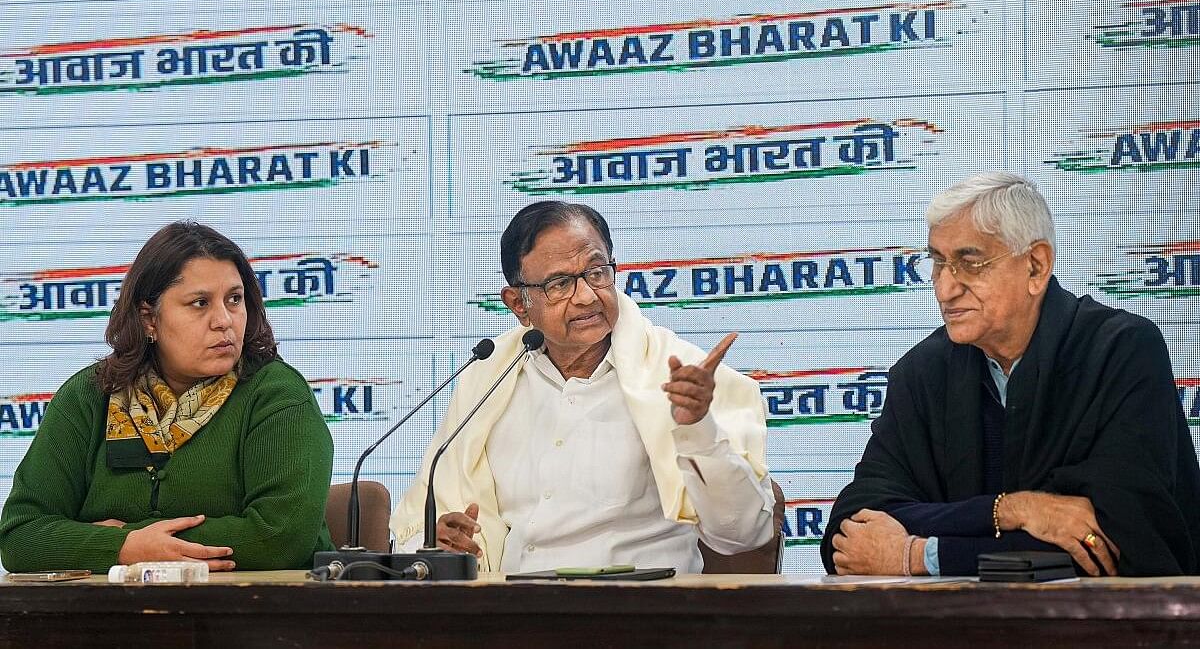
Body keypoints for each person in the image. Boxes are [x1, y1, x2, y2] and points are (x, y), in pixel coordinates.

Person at [821, 172, 1200, 577]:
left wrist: (917, 555)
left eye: (969, 263)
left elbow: (1104, 548)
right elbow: (850, 534)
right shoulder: (922, 373)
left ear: (1036, 267)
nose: (945, 289)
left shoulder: (1120, 353)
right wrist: (1013, 510)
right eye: (937, 262)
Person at [390, 201, 774, 573]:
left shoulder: (682, 378)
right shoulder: (489, 377)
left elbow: (741, 535)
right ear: (518, 304)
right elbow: (428, 524)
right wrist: (438, 544)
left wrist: (697, 427)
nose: (588, 296)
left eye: (597, 272)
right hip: (511, 613)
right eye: (560, 284)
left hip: (639, 615)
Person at [0, 222, 335, 573]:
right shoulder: (90, 396)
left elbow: (281, 536)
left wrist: (129, 540)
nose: (224, 320)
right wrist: (127, 548)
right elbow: (20, 537)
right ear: (149, 319)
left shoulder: (277, 395)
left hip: (256, 617)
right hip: (109, 617)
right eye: (200, 303)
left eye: (234, 300)